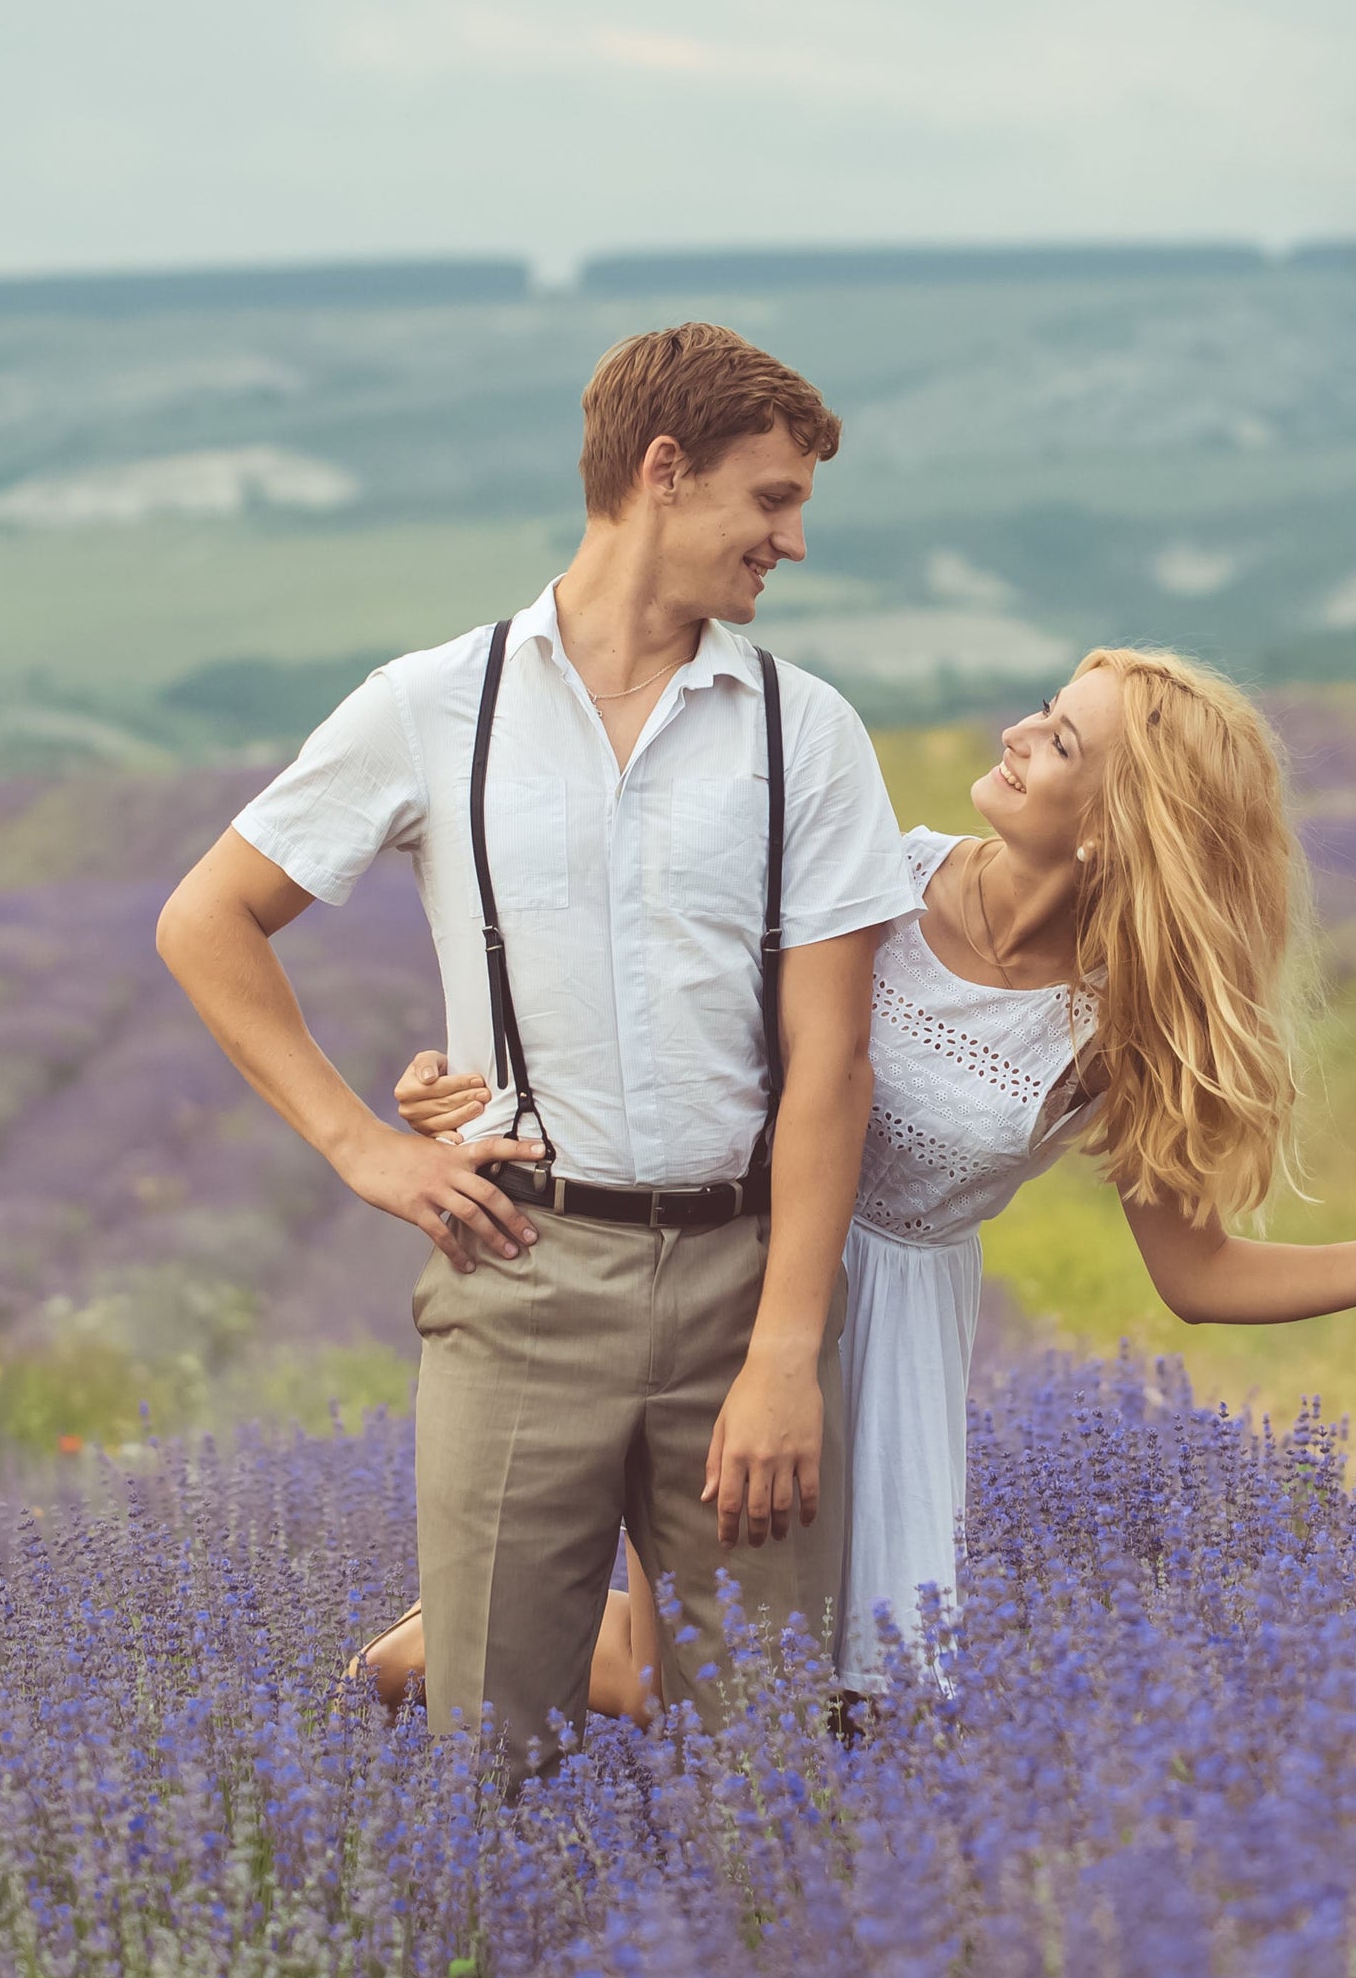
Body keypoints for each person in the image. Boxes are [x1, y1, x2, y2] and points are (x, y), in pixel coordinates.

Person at [356, 646, 1356, 1714]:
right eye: (1046, 713)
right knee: (704, 1676)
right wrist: (472, 1088)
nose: (1014, 732)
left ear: (1119, 825)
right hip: (733, 1273)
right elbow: (662, 1016)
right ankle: (437, 1646)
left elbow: (1197, 1273)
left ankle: (477, 1656)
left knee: (819, 1693)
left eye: (1059, 741)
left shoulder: (1118, 1026)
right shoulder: (880, 880)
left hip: (891, 1336)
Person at [157, 323, 912, 1776]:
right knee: (488, 1768)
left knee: (762, 1778)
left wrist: (784, 1356)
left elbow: (833, 1068)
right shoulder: (434, 706)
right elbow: (209, 921)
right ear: (663, 470)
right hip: (521, 1280)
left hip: (740, 1284)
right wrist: (363, 1145)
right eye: (770, 500)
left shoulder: (806, 734)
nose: (793, 541)